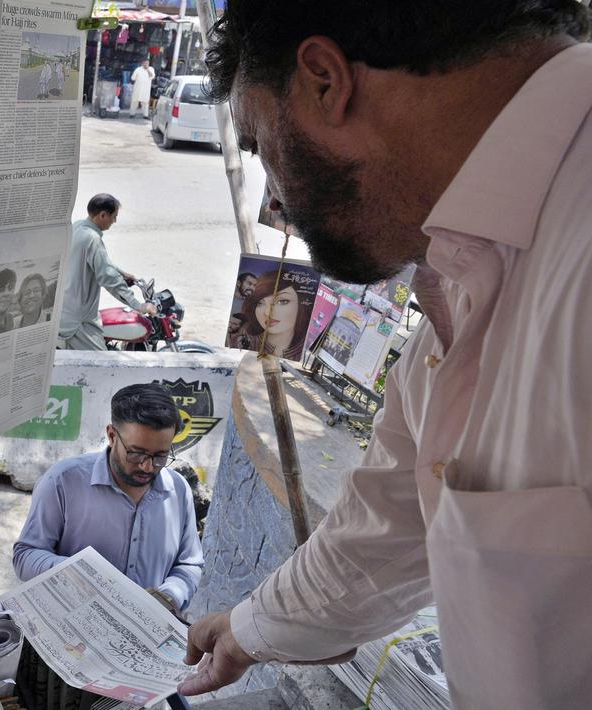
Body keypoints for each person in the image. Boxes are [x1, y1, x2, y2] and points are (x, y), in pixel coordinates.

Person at [177, 2, 592, 707]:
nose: (274, 198)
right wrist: (247, 631)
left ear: (322, 82)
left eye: (258, 144)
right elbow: (388, 523)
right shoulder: (455, 277)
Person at [14, 383, 203, 710]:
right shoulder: (64, 481)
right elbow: (26, 556)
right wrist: (79, 576)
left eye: (160, 456)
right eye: (137, 453)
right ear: (112, 435)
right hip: (73, 650)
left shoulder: (178, 491)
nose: (147, 467)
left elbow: (189, 564)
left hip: (146, 650)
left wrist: (168, 595)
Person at [58, 193, 157, 350]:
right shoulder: (93, 239)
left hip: (66, 310)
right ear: (103, 215)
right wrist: (138, 305)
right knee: (104, 366)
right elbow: (109, 278)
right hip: (78, 323)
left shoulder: (77, 227)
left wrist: (122, 273)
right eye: (114, 217)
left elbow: (99, 262)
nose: (114, 221)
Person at [233, 267, 316, 360]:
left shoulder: (309, 353)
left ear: (301, 305)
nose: (267, 312)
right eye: (260, 303)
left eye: (282, 301)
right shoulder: (241, 342)